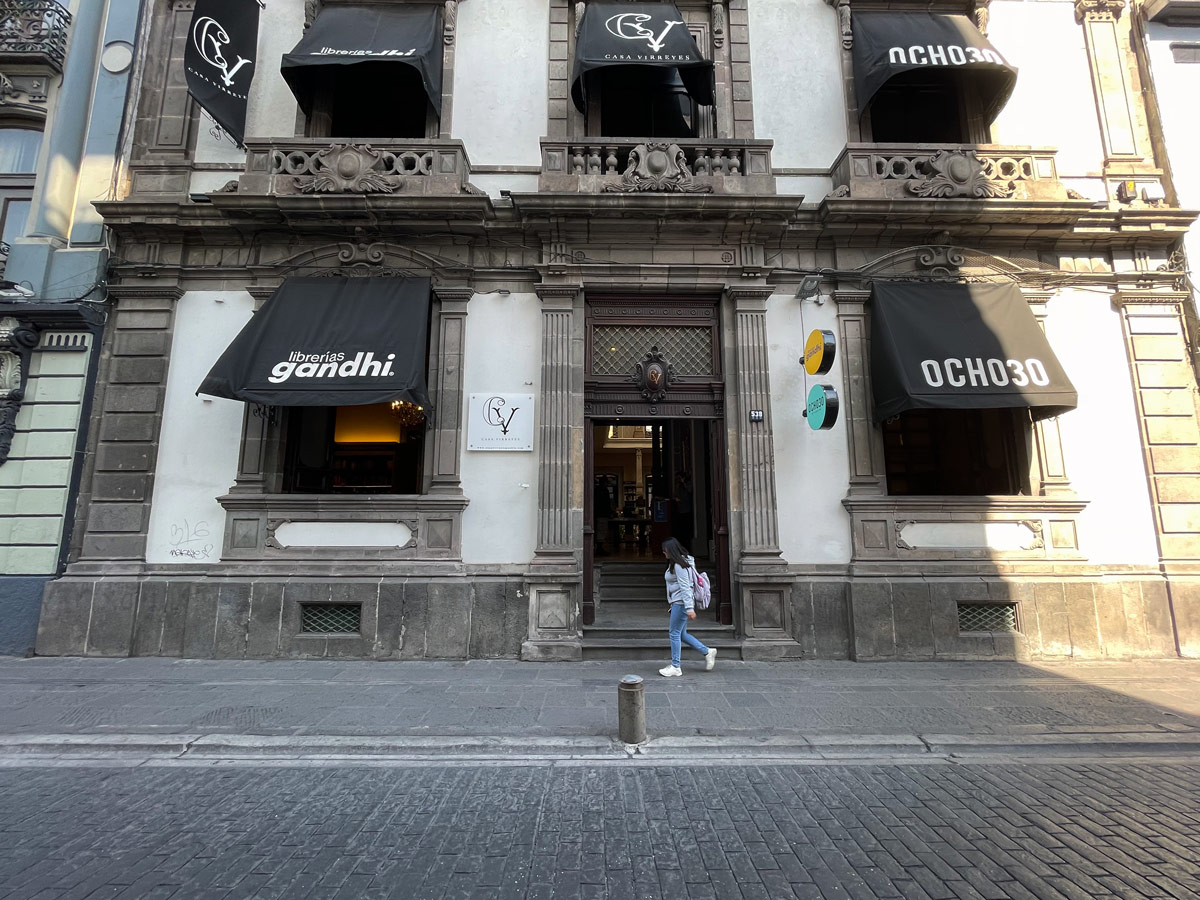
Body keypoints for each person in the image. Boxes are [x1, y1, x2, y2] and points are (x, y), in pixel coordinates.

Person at [659, 537, 717, 677]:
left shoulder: (679, 566)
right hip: (679, 603)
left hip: (681, 604)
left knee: (674, 633)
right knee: (682, 634)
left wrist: (690, 608)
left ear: (671, 550)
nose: (663, 552)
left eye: (665, 550)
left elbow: (686, 587)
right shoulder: (680, 563)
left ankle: (676, 666)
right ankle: (707, 651)